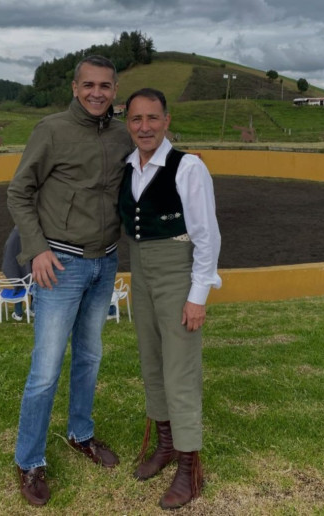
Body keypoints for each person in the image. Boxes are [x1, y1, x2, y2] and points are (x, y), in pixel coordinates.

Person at [7, 55, 134, 506]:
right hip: (60, 263)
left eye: (105, 85)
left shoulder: (123, 134)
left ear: (114, 89)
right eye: (89, 85)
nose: (97, 92)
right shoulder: (52, 130)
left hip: (106, 261)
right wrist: (36, 249)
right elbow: (19, 190)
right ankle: (30, 460)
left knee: (90, 357)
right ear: (75, 87)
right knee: (45, 370)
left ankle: (81, 432)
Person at [119, 88, 222, 510]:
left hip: (177, 273)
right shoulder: (126, 166)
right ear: (128, 123)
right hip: (140, 272)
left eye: (152, 118)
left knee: (180, 369)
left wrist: (197, 296)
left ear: (166, 120)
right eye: (136, 119)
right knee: (152, 362)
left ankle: (188, 466)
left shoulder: (188, 167)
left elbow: (207, 235)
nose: (144, 127)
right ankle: (164, 445)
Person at [1, 225, 31, 321]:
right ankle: (33, 309)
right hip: (29, 263)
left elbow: (7, 251)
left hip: (17, 263)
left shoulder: (14, 234)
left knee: (19, 283)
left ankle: (18, 313)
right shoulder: (31, 233)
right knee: (33, 282)